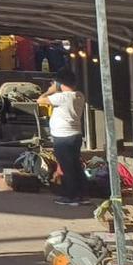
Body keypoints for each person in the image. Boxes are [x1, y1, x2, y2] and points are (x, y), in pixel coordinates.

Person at [38, 69, 88, 206]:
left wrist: (50, 90)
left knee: (67, 167)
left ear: (60, 83)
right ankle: (81, 194)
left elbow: (39, 100)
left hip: (63, 138)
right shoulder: (79, 95)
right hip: (75, 136)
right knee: (75, 166)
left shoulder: (61, 97)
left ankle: (70, 196)